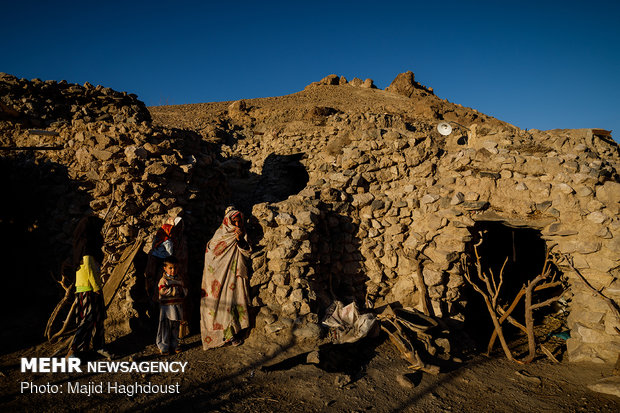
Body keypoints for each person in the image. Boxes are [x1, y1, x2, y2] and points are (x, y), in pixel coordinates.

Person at [200, 206, 251, 349]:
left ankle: (234, 332)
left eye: (238, 221)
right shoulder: (219, 236)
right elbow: (210, 255)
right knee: (221, 306)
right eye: (233, 221)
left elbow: (247, 252)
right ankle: (227, 336)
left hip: (233, 275)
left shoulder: (242, 233)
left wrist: (240, 240)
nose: (236, 224)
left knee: (232, 303)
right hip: (217, 278)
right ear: (227, 221)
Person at [68, 216, 111, 359]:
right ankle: (75, 349)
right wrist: (96, 287)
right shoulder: (86, 245)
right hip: (88, 288)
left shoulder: (86, 244)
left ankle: (98, 346)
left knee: (98, 318)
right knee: (88, 319)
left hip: (90, 287)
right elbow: (88, 267)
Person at [157, 256, 187, 355]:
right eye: (170, 268)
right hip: (167, 308)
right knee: (166, 327)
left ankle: (175, 344)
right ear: (164, 268)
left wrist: (182, 291)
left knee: (175, 327)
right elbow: (162, 291)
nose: (173, 270)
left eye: (175, 268)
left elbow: (184, 290)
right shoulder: (164, 280)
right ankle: (164, 346)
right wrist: (175, 290)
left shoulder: (179, 279)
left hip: (177, 307)